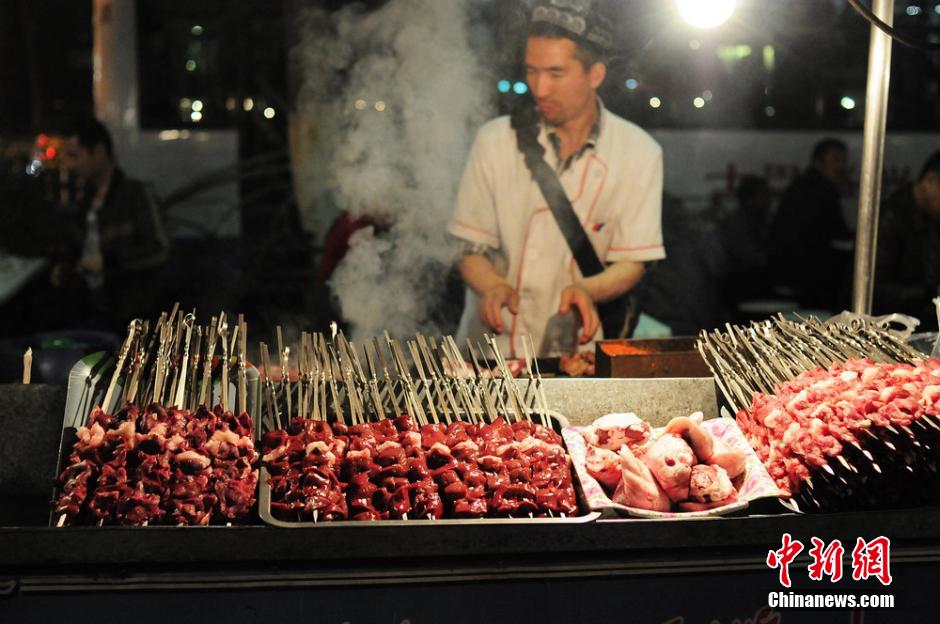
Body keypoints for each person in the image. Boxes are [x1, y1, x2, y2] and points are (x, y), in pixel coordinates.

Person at [448, 0, 664, 357]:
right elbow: (470, 248)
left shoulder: (639, 152)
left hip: (574, 351)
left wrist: (589, 289)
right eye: (532, 71)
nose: (539, 88)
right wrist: (491, 286)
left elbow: (632, 263)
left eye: (555, 73)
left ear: (594, 75)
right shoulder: (495, 140)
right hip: (490, 351)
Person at [56, 117, 169, 327]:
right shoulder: (85, 200)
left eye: (75, 155)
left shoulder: (135, 194)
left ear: (98, 152)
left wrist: (108, 262)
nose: (71, 165)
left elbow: (158, 249)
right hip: (90, 308)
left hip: (130, 312)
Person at [769, 138, 852, 310]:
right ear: (818, 162)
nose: (841, 166)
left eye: (843, 160)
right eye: (836, 159)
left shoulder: (803, 185)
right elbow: (835, 233)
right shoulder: (821, 190)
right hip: (804, 275)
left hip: (789, 271)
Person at [874, 151, 940, 328]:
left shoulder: (931, 218)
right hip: (887, 329)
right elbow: (876, 289)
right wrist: (930, 292)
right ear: (930, 180)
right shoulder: (890, 217)